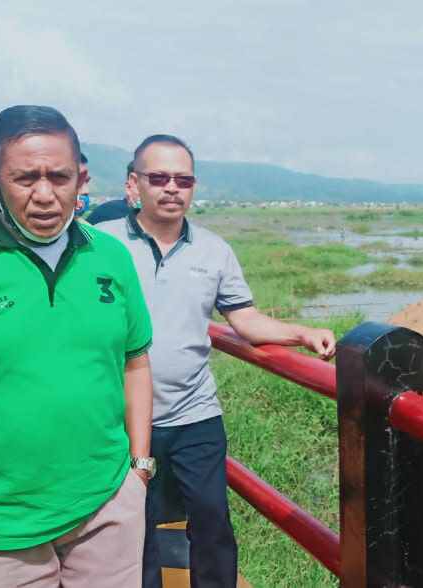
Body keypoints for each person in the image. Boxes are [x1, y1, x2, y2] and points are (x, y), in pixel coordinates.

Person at [0, 105, 155, 588]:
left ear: (81, 179)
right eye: (24, 179)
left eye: (58, 177)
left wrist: (138, 470)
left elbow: (135, 363)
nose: (43, 195)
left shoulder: (111, 257)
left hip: (106, 504)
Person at [97, 134, 336, 587]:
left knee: (211, 525)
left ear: (193, 187)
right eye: (159, 178)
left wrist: (302, 333)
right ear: (134, 184)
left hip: (195, 415)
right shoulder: (100, 246)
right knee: (135, 529)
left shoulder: (214, 250)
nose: (171, 188)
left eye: (183, 179)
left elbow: (243, 319)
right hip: (119, 416)